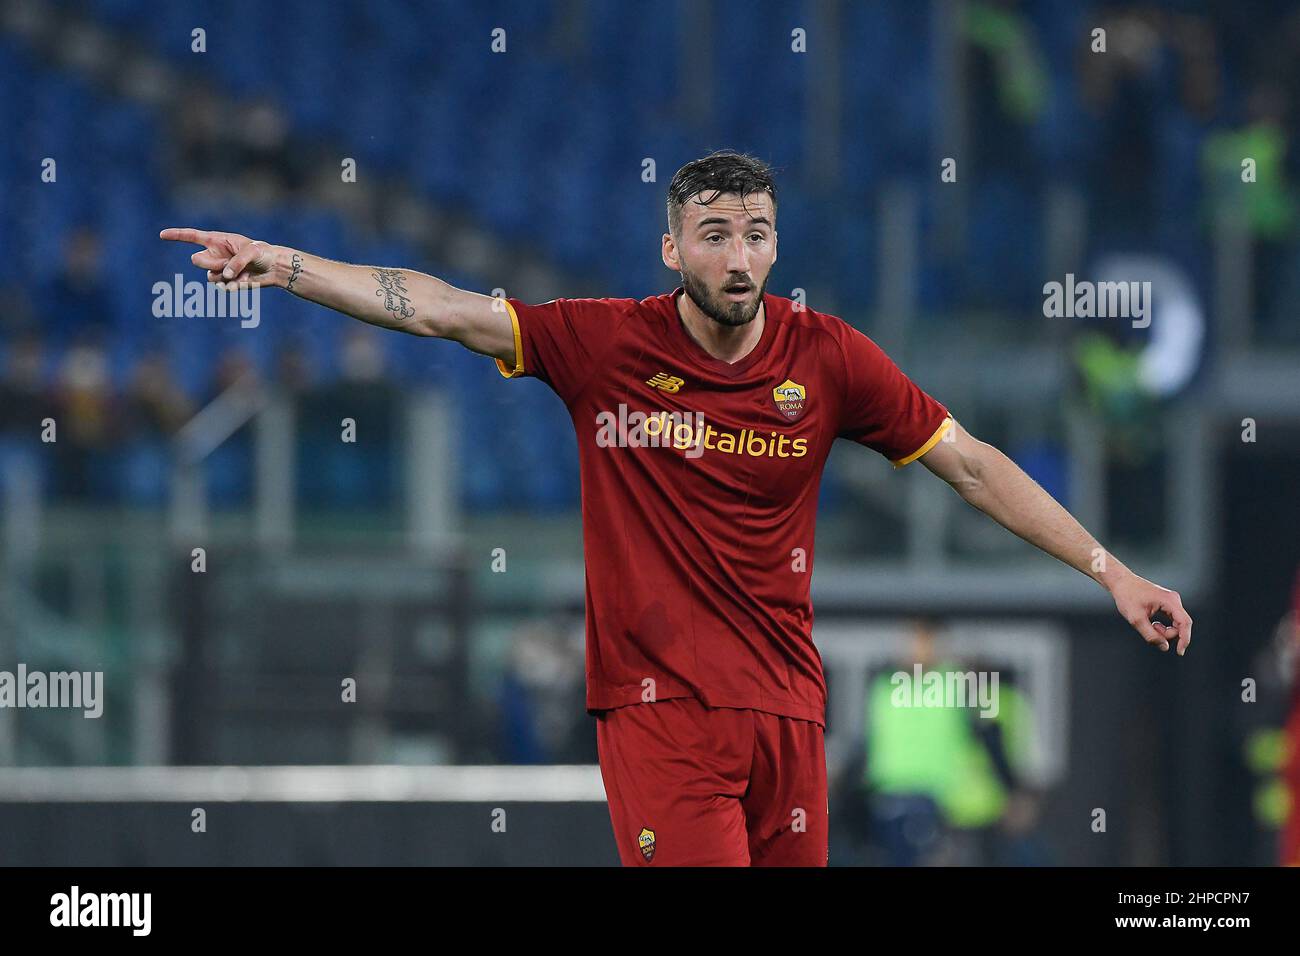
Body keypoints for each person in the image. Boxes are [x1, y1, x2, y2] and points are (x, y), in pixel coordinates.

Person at [160, 150, 1193, 866]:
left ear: (776, 245)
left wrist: (1110, 568)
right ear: (673, 251)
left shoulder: (827, 356)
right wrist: (283, 264)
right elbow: (437, 306)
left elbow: (969, 463)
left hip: (789, 709)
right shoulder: (602, 344)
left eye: (755, 233)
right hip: (661, 713)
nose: (737, 257)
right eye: (713, 235)